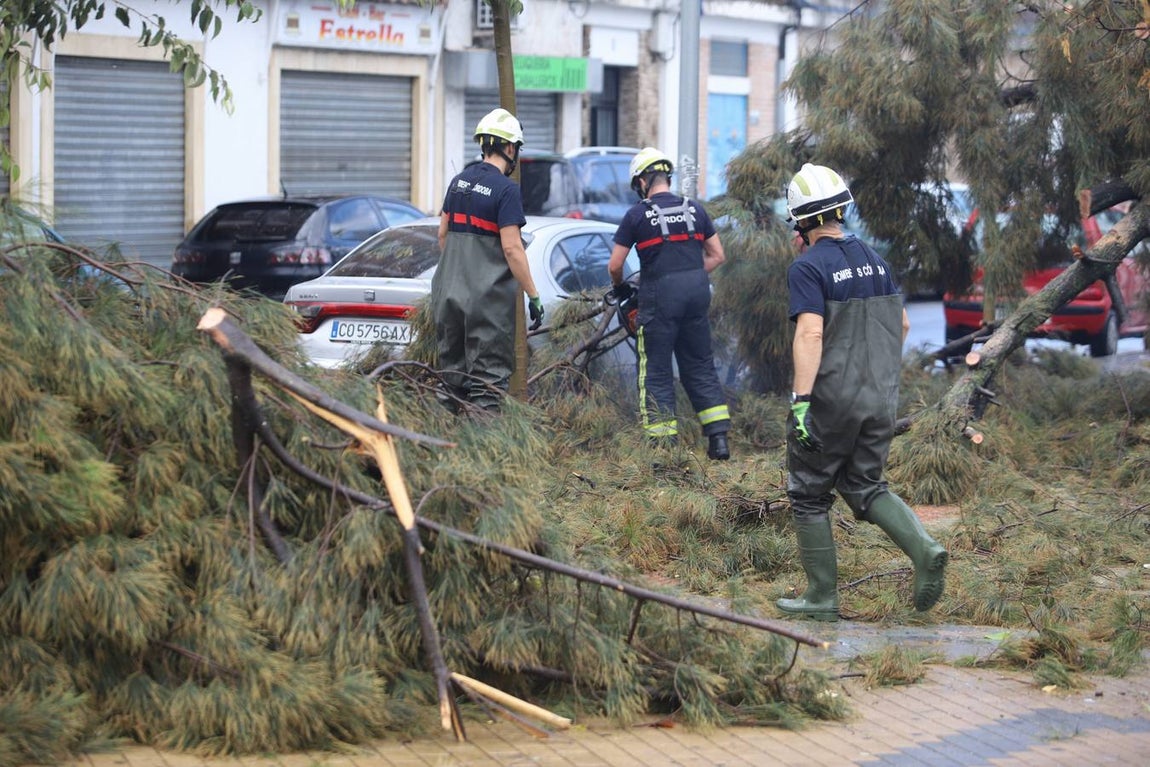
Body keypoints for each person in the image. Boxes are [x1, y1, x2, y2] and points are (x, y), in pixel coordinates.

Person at [778, 162, 947, 621]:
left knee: (810, 494)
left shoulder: (807, 267)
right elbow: (904, 325)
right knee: (866, 485)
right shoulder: (876, 258)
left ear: (801, 221)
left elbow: (810, 335)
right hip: (880, 399)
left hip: (832, 400)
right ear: (840, 211)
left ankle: (820, 597)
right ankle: (924, 547)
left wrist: (801, 402)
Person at [607, 147, 731, 460]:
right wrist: (688, 274)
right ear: (666, 176)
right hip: (696, 295)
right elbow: (718, 255)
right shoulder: (695, 210)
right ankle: (719, 442)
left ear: (642, 181)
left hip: (659, 299)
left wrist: (620, 287)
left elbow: (614, 264)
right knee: (700, 365)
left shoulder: (637, 214)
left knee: (656, 371)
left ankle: (663, 451)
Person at [431, 108, 545, 412]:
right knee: (487, 387)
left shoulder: (457, 183)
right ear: (509, 148)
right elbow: (512, 249)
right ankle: (482, 456)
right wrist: (533, 295)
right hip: (486, 304)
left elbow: (443, 235)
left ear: (484, 144)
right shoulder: (506, 190)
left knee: (450, 381)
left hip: (448, 297)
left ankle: (442, 449)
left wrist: (460, 275)